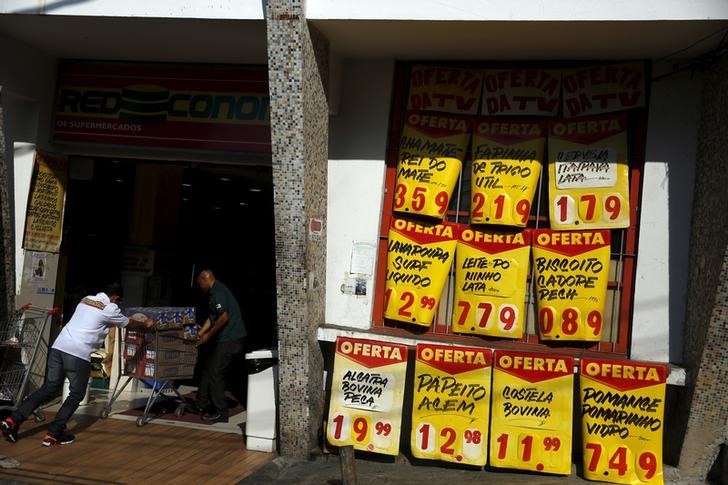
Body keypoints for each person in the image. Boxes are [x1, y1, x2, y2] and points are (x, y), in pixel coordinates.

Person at [1, 283, 156, 446]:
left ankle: (13, 420)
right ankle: (54, 433)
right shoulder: (110, 308)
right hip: (77, 353)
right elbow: (128, 323)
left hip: (58, 347)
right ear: (115, 298)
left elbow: (96, 320)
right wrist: (146, 324)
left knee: (49, 387)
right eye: (118, 302)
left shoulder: (86, 299)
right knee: (76, 394)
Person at [191, 270, 246, 423]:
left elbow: (224, 317)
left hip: (231, 339)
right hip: (227, 339)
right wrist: (201, 332)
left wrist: (209, 335)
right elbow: (213, 316)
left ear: (205, 279)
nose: (199, 287)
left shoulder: (218, 292)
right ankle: (201, 403)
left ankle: (221, 412)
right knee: (208, 367)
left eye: (199, 283)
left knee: (216, 373)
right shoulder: (215, 292)